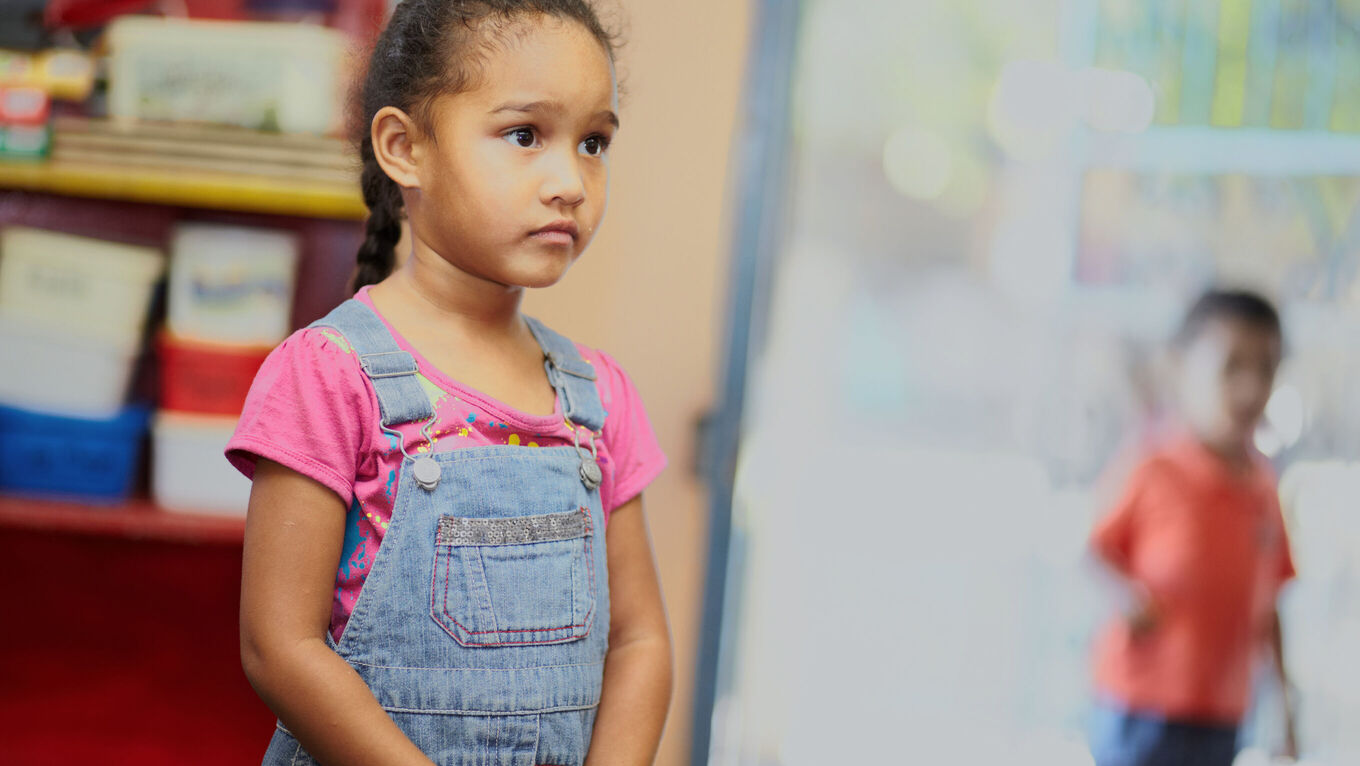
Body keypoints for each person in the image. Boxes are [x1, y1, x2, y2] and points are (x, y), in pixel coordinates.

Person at [226, 2, 672, 764]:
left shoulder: (598, 397)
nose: (570, 181)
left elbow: (640, 641)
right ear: (405, 148)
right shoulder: (330, 374)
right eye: (525, 134)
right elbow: (278, 645)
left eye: (593, 142)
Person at [1087, 289, 1298, 766]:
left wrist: (1286, 709)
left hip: (1223, 714)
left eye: (1265, 369)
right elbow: (1094, 551)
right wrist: (1126, 597)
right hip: (1143, 708)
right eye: (1231, 367)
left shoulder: (1264, 490)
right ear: (1183, 368)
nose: (1250, 388)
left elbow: (1270, 604)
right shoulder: (1153, 467)